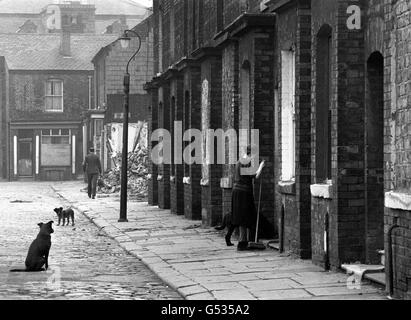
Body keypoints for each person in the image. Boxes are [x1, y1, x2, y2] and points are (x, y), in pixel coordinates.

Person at [231, 145, 265, 251]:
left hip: (237, 192)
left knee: (243, 217)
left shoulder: (240, 161)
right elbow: (255, 176)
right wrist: (261, 166)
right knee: (244, 217)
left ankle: (244, 242)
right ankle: (242, 243)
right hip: (243, 193)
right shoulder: (245, 162)